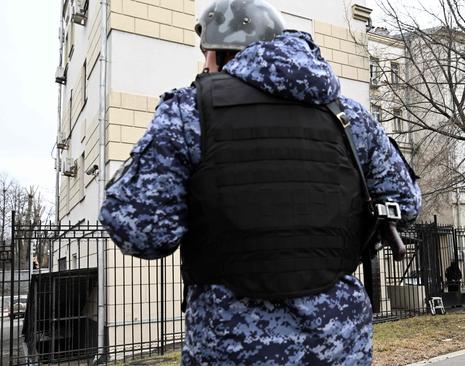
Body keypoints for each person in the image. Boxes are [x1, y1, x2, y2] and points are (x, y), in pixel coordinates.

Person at [98, 1, 421, 364]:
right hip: (339, 345)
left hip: (230, 347)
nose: (205, 66)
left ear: (221, 52)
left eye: (206, 54)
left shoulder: (190, 111)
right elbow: (406, 204)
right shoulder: (350, 116)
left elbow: (141, 233)